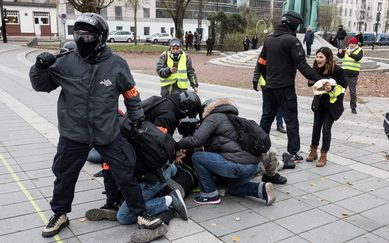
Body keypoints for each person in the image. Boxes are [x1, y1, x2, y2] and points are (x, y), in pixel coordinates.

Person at [29, 12, 162, 237]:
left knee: (124, 173)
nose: (82, 39)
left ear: (101, 38)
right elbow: (41, 85)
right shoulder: (66, 60)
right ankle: (59, 213)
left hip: (107, 133)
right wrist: (40, 67)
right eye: (78, 33)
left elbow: (131, 93)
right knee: (64, 175)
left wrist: (137, 119)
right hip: (73, 134)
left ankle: (141, 212)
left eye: (88, 35)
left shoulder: (117, 64)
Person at [253, 11, 322, 169]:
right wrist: (319, 78)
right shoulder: (292, 41)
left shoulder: (269, 39)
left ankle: (260, 150)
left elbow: (261, 62)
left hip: (269, 87)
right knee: (291, 120)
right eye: (297, 25)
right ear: (292, 24)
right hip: (285, 88)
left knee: (266, 118)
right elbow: (302, 65)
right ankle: (293, 152)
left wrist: (262, 78)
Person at [177, 98, 276, 205]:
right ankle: (261, 189)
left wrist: (177, 145)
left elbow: (196, 140)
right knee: (234, 188)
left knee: (197, 157)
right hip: (254, 165)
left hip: (239, 165)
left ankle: (209, 195)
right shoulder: (233, 118)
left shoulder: (213, 117)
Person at [306, 47, 347, 167]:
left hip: (332, 106)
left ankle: (324, 154)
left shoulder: (337, 70)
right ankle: (313, 150)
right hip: (319, 104)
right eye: (317, 57)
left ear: (327, 58)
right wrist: (312, 81)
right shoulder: (316, 69)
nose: (318, 59)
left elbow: (344, 87)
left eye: (321, 57)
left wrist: (332, 88)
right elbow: (310, 83)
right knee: (316, 127)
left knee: (326, 129)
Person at [337, 37, 363, 114]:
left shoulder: (360, 50)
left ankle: (353, 107)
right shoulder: (346, 49)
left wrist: (350, 54)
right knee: (341, 90)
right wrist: (340, 52)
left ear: (356, 44)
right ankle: (339, 106)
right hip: (344, 73)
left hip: (353, 75)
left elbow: (358, 58)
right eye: (350, 43)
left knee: (352, 92)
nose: (351, 45)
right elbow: (340, 56)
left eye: (353, 43)